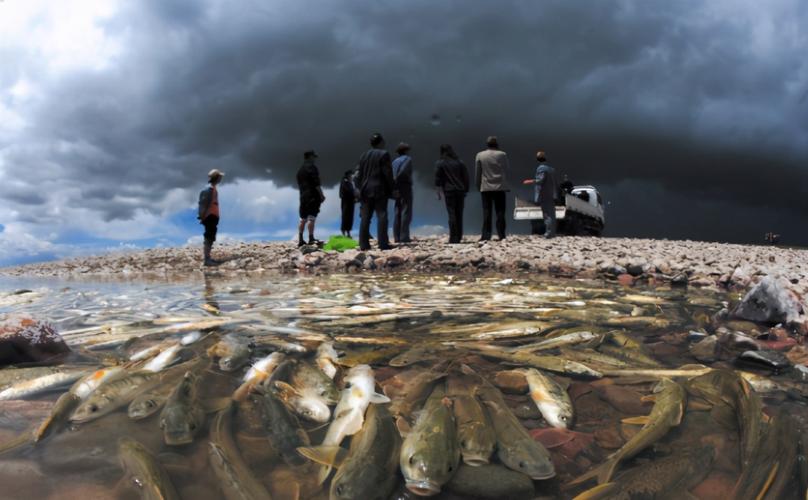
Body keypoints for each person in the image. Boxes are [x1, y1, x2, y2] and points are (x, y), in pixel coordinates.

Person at [355, 132, 394, 251]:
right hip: (379, 188)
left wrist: (359, 188)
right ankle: (383, 244)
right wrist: (393, 189)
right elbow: (387, 174)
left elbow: (358, 175)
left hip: (365, 189)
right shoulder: (384, 154)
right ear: (381, 142)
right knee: (382, 215)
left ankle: (364, 244)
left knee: (366, 217)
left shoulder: (363, 155)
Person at [475, 136, 509, 241]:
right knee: (500, 212)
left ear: (487, 144)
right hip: (499, 187)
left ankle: (486, 235)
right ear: (497, 144)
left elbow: (478, 173)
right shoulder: (502, 154)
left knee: (486, 212)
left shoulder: (480, 155)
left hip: (485, 187)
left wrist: (478, 185)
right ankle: (501, 234)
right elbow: (506, 169)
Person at [434, 144, 470, 244]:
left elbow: (438, 178)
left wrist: (438, 191)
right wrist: (466, 189)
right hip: (460, 190)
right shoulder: (460, 162)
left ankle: (453, 237)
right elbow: (466, 177)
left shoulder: (440, 163)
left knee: (451, 214)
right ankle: (459, 236)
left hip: (449, 191)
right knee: (459, 214)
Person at [522, 151, 557, 238]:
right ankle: (552, 232)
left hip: (544, 194)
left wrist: (530, 181)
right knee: (551, 214)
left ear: (537, 159)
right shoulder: (551, 169)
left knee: (546, 214)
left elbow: (540, 180)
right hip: (550, 194)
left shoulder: (541, 168)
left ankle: (548, 233)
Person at [296, 150, 326, 247]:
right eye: (313, 156)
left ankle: (300, 239)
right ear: (309, 157)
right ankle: (311, 238)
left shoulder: (299, 171)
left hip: (302, 196)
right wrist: (321, 195)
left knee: (302, 218)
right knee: (311, 218)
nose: (315, 158)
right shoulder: (312, 168)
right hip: (312, 195)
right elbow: (316, 183)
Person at [198, 169, 224, 267]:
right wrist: (202, 216)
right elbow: (203, 204)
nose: (221, 179)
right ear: (216, 178)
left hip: (212, 216)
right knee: (209, 237)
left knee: (211, 237)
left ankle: (208, 258)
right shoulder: (208, 190)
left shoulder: (213, 189)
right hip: (209, 216)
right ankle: (207, 260)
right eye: (220, 177)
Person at [392, 142, 413, 243]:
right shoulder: (407, 159)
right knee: (406, 210)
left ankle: (396, 237)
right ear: (406, 150)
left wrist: (394, 184)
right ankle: (404, 237)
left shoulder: (394, 161)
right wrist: (398, 179)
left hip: (396, 187)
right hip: (404, 186)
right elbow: (404, 171)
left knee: (397, 210)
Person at [339, 169, 356, 238]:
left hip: (350, 202)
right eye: (351, 174)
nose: (352, 176)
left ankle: (348, 232)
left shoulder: (350, 182)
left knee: (350, 217)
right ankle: (344, 233)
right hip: (346, 202)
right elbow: (348, 192)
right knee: (345, 216)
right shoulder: (345, 182)